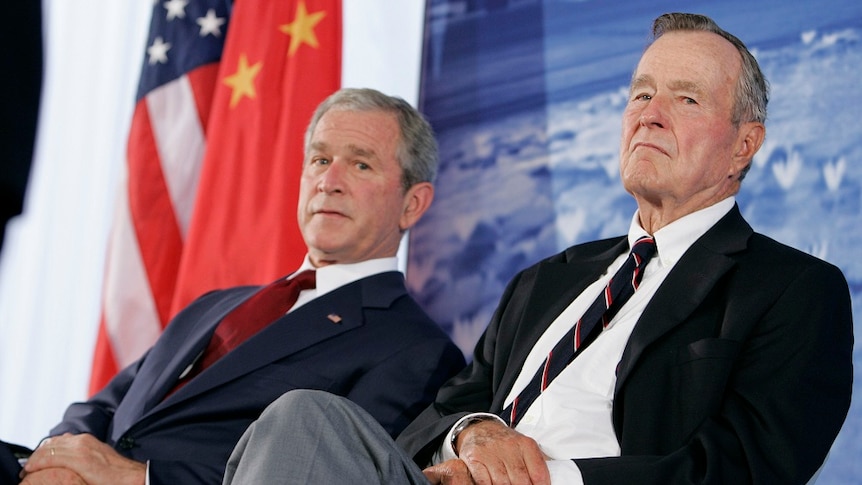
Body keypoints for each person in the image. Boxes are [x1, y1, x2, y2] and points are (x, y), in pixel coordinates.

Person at [219, 13, 854, 485]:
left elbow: (749, 466)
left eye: (685, 98)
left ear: (745, 145)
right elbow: (438, 415)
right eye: (640, 93)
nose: (649, 114)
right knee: (299, 421)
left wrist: (548, 479)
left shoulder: (794, 289)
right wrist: (474, 434)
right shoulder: (547, 280)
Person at [1, 87, 466, 485]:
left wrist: (139, 476)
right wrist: (57, 462)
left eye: (360, 165)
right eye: (320, 159)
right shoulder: (215, 306)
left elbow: (321, 468)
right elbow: (105, 405)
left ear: (412, 204)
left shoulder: (416, 349)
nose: (329, 181)